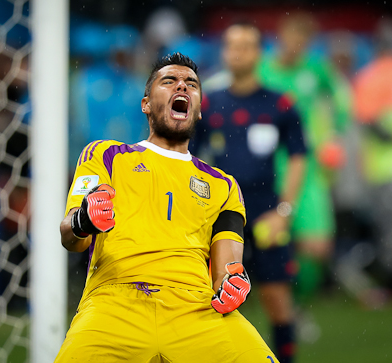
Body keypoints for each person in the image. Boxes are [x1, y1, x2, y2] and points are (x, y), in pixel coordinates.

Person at [56, 53, 279, 363]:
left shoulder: (224, 185)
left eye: (191, 84)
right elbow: (70, 236)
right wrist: (83, 220)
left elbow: (227, 267)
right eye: (169, 81)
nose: (182, 88)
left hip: (196, 310)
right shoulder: (105, 155)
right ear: (146, 103)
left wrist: (231, 284)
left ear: (199, 110)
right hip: (114, 302)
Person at [193, 23, 307, 363]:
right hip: (221, 213)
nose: (237, 52)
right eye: (230, 46)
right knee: (214, 298)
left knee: (276, 299)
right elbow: (191, 160)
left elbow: (299, 157)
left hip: (266, 210)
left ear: (259, 53)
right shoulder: (209, 104)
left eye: (245, 46)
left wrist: (283, 211)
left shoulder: (280, 104)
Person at [256, 13, 351, 310]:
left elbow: (342, 99)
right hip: (268, 169)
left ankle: (297, 305)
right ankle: (275, 307)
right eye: (292, 37)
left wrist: (334, 134)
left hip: (307, 170)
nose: (296, 45)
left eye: (303, 40)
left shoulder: (316, 70)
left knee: (317, 247)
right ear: (280, 37)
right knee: (268, 242)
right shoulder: (261, 71)